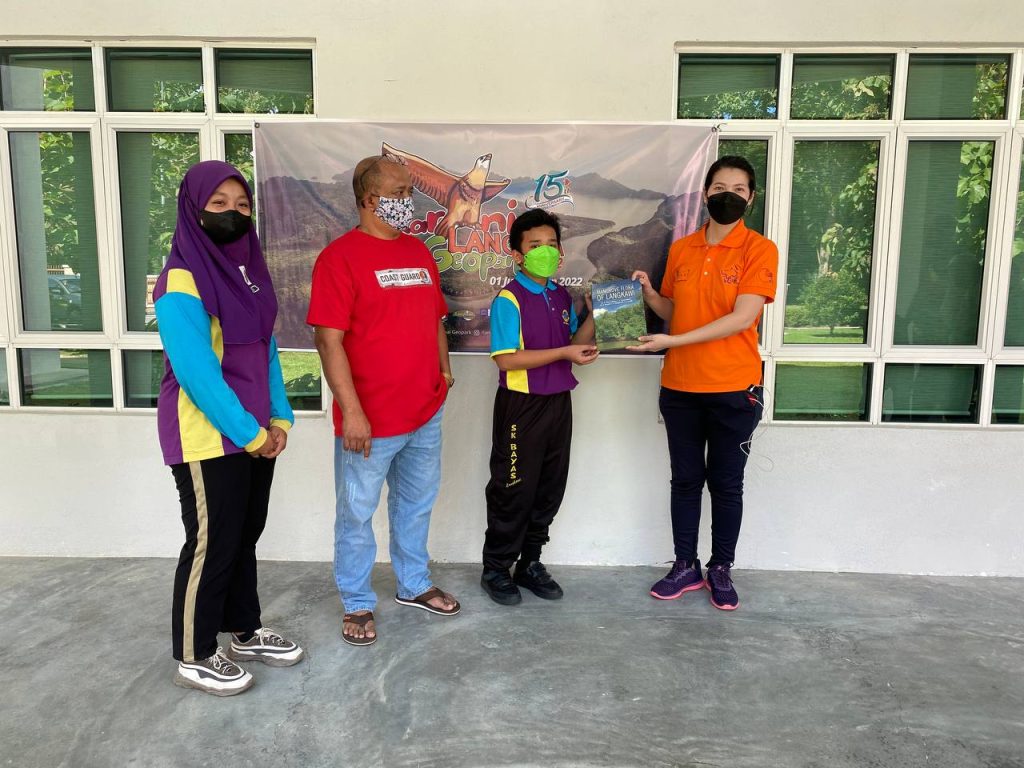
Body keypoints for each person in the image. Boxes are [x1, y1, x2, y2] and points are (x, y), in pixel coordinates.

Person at [155, 160, 304, 697]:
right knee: (211, 543)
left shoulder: (250, 277)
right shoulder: (180, 280)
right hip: (205, 436)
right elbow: (197, 374)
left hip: (253, 433)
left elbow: (267, 355)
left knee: (243, 536)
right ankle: (194, 654)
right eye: (218, 204)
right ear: (193, 210)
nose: (232, 214)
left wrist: (279, 419)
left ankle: (243, 630)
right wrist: (250, 433)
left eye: (242, 205)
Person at [308, 155, 460, 647]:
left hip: (424, 412)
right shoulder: (339, 258)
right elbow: (328, 340)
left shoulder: (418, 251)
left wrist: (443, 372)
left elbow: (434, 319)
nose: (408, 201)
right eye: (399, 193)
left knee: (416, 504)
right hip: (369, 420)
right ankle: (356, 600)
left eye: (409, 192)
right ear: (370, 199)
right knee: (356, 513)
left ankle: (413, 584)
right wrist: (351, 411)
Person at [629, 155, 777, 611]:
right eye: (718, 188)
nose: (727, 195)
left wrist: (672, 340)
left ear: (751, 198)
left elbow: (742, 317)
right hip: (681, 387)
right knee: (685, 481)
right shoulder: (682, 249)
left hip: (735, 388)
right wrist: (651, 295)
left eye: (738, 189)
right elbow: (677, 312)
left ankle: (721, 568)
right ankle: (685, 565)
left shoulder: (759, 249)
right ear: (706, 194)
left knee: (727, 485)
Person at [481, 209, 598, 605]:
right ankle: (496, 568)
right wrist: (564, 352)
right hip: (521, 407)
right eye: (535, 245)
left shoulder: (560, 295)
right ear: (518, 254)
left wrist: (596, 314)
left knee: (549, 488)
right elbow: (506, 359)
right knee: (513, 488)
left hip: (558, 402)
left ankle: (529, 563)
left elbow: (574, 343)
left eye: (551, 244)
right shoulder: (509, 299)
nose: (545, 251)